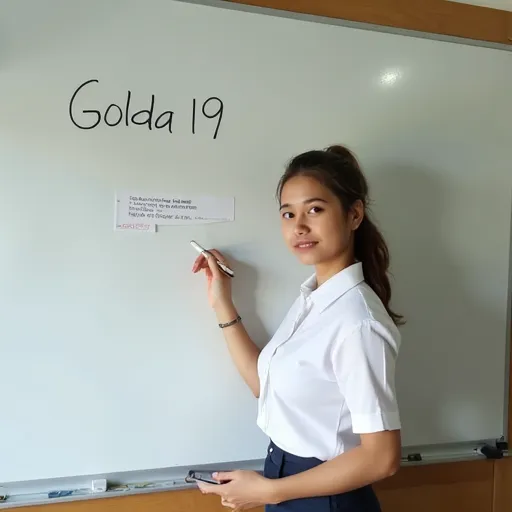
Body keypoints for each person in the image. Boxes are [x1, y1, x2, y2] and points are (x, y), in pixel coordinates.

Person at [191, 144, 403, 511]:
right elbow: (265, 386)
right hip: (287, 481)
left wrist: (268, 492)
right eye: (288, 214)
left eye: (315, 209)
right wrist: (222, 303)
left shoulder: (358, 323)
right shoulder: (312, 300)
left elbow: (381, 457)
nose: (299, 226)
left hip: (325, 495)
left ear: (354, 215)